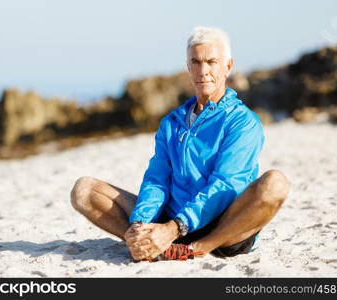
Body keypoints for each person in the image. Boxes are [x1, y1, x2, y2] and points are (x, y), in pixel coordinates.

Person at [71, 26, 291, 262]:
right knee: (84, 190)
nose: (203, 70)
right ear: (188, 67)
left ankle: (196, 248)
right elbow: (157, 179)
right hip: (170, 223)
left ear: (227, 66)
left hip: (223, 228)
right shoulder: (172, 122)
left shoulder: (243, 122)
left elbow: (227, 183)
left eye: (211, 61)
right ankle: (148, 244)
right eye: (195, 62)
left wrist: (175, 227)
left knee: (276, 183)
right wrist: (139, 224)